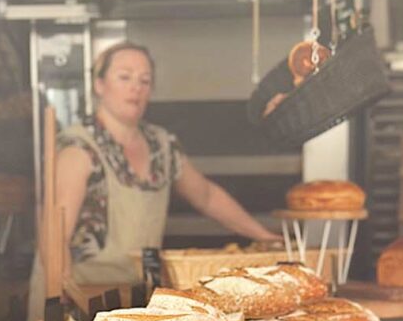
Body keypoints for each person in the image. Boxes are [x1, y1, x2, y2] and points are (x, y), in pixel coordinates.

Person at [36, 41, 280, 306]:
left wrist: (263, 236)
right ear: (99, 84)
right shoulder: (79, 148)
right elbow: (55, 233)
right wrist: (62, 300)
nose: (135, 88)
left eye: (145, 80)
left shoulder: (160, 145)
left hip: (138, 294)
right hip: (81, 294)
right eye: (124, 77)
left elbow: (207, 196)